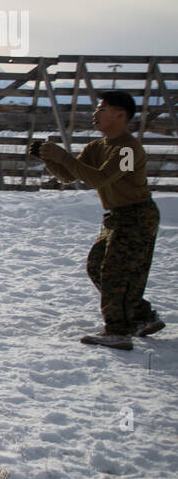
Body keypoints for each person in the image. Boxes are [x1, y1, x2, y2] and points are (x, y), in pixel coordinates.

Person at [35, 91, 163, 350]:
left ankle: (118, 331)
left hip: (137, 216)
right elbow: (70, 175)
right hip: (116, 216)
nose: (96, 113)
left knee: (116, 271)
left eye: (102, 108)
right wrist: (48, 158)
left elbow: (99, 179)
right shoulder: (97, 147)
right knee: (97, 266)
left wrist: (63, 157)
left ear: (120, 114)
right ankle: (141, 315)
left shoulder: (128, 149)